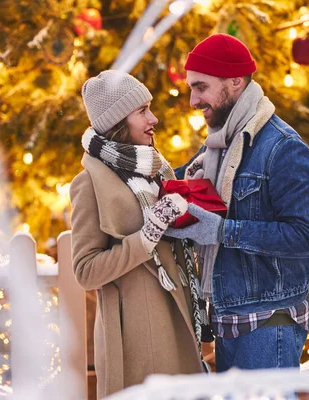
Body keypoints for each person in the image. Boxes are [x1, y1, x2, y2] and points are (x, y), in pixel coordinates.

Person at [167, 34, 309, 372]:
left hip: (268, 326)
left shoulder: (283, 149)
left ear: (235, 82)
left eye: (201, 87)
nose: (193, 100)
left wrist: (223, 231)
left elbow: (307, 236)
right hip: (229, 322)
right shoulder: (218, 146)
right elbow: (174, 181)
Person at [70, 70, 207, 398]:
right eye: (142, 111)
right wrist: (146, 236)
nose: (154, 118)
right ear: (118, 120)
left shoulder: (156, 168)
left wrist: (190, 195)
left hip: (176, 319)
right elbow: (86, 272)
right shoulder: (89, 183)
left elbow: (174, 243)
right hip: (137, 338)